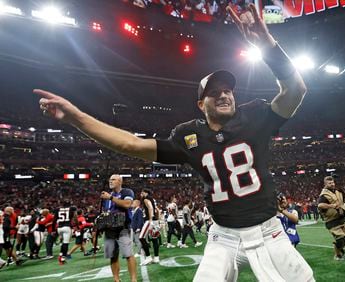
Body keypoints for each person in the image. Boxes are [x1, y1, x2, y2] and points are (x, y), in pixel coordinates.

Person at [34, 3, 313, 280]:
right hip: (223, 236)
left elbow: (296, 89)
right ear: (201, 103)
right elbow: (131, 144)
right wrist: (76, 118)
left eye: (228, 90)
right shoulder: (188, 135)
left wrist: (266, 44)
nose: (224, 95)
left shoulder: (255, 114)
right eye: (215, 92)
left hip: (267, 229)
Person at [100, 175, 137, 282]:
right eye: (110, 179)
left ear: (120, 181)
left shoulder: (127, 192)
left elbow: (127, 204)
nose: (110, 181)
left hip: (123, 227)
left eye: (113, 179)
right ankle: (116, 280)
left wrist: (111, 198)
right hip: (109, 228)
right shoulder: (107, 195)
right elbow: (107, 211)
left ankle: (133, 280)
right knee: (112, 256)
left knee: (128, 254)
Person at [318, 176, 345, 261]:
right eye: (330, 183)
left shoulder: (338, 191)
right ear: (325, 184)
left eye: (333, 182)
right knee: (340, 238)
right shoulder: (324, 195)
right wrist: (331, 206)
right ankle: (337, 255)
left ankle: (339, 248)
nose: (332, 184)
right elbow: (320, 205)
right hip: (332, 220)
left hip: (342, 218)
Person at [139, 189, 160, 265]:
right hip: (155, 221)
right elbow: (157, 210)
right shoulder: (153, 199)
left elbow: (150, 208)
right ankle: (156, 257)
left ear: (145, 193)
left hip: (149, 220)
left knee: (141, 237)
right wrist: (157, 220)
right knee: (154, 239)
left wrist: (150, 219)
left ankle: (148, 257)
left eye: (142, 193)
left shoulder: (146, 199)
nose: (141, 194)